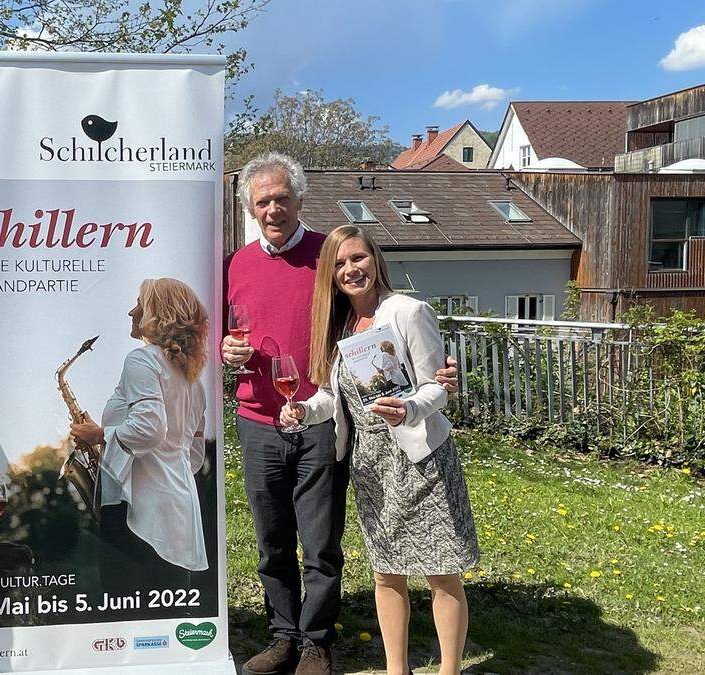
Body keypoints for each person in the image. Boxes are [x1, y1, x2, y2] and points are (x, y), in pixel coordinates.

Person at [223, 152, 458, 675]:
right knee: (271, 540)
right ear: (250, 208)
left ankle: (316, 643)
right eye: (263, 201)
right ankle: (282, 635)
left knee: (321, 540)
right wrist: (226, 351)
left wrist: (433, 379)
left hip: (324, 419)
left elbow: (375, 315)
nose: (274, 208)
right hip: (259, 418)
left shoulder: (328, 256)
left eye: (283, 198)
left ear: (300, 199)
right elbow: (226, 330)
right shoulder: (236, 264)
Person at [282, 225, 479, 675]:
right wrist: (303, 411)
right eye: (340, 264)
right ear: (330, 276)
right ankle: (397, 670)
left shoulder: (409, 311)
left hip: (421, 459)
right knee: (386, 573)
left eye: (358, 258)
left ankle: (449, 670)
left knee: (441, 571)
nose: (351, 270)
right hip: (369, 462)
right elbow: (335, 398)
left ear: (376, 259)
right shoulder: (340, 324)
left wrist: (408, 408)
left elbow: (438, 390)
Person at [69, 278, 209, 600]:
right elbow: (195, 455)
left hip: (137, 508)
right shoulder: (193, 380)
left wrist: (99, 434)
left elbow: (149, 428)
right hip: (177, 504)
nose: (132, 311)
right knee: (170, 605)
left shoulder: (141, 360)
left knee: (127, 606)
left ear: (160, 314)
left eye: (140, 305)